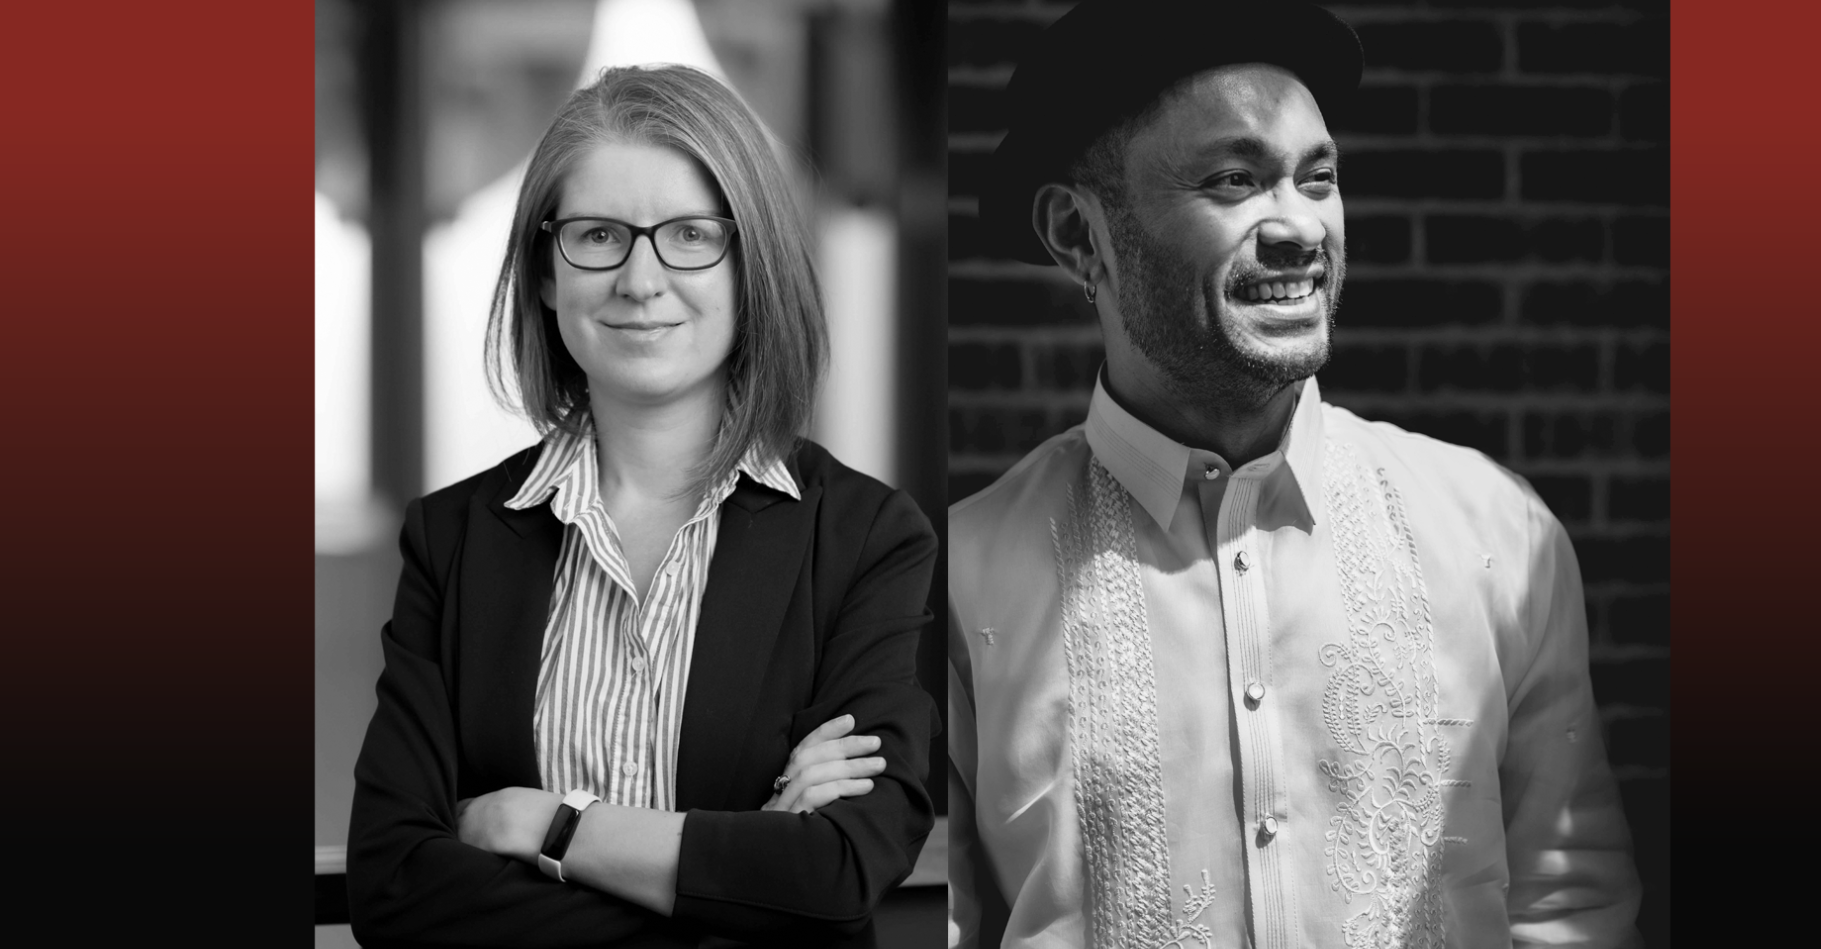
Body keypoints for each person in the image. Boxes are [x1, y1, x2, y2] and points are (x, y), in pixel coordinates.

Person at [947, 2, 1642, 947]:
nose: (1299, 229)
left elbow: (1572, 906)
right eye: (1234, 180)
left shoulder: (1496, 533)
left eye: (1318, 179)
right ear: (1079, 235)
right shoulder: (963, 578)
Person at [346, 64, 938, 948]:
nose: (640, 278)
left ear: (752, 266)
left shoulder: (866, 540)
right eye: (597, 235)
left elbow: (836, 870)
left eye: (691, 235)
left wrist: (549, 828)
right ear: (546, 273)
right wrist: (737, 880)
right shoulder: (454, 538)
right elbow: (394, 884)